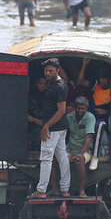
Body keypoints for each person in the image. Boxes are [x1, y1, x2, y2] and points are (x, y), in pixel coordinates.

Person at [34, 58, 69, 198]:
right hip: (60, 127)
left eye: (50, 71)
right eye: (46, 70)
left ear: (58, 70)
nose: (47, 73)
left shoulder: (59, 87)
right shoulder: (56, 83)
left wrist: (46, 126)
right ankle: (65, 189)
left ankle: (41, 191)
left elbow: (61, 110)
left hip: (53, 128)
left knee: (46, 158)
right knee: (62, 157)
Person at [66, 97, 95, 197]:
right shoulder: (69, 116)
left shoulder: (90, 117)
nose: (80, 111)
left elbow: (89, 137)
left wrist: (81, 154)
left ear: (87, 108)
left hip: (85, 151)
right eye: (78, 108)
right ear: (74, 107)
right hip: (70, 148)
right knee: (55, 159)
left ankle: (81, 190)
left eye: (82, 109)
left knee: (79, 159)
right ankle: (57, 189)